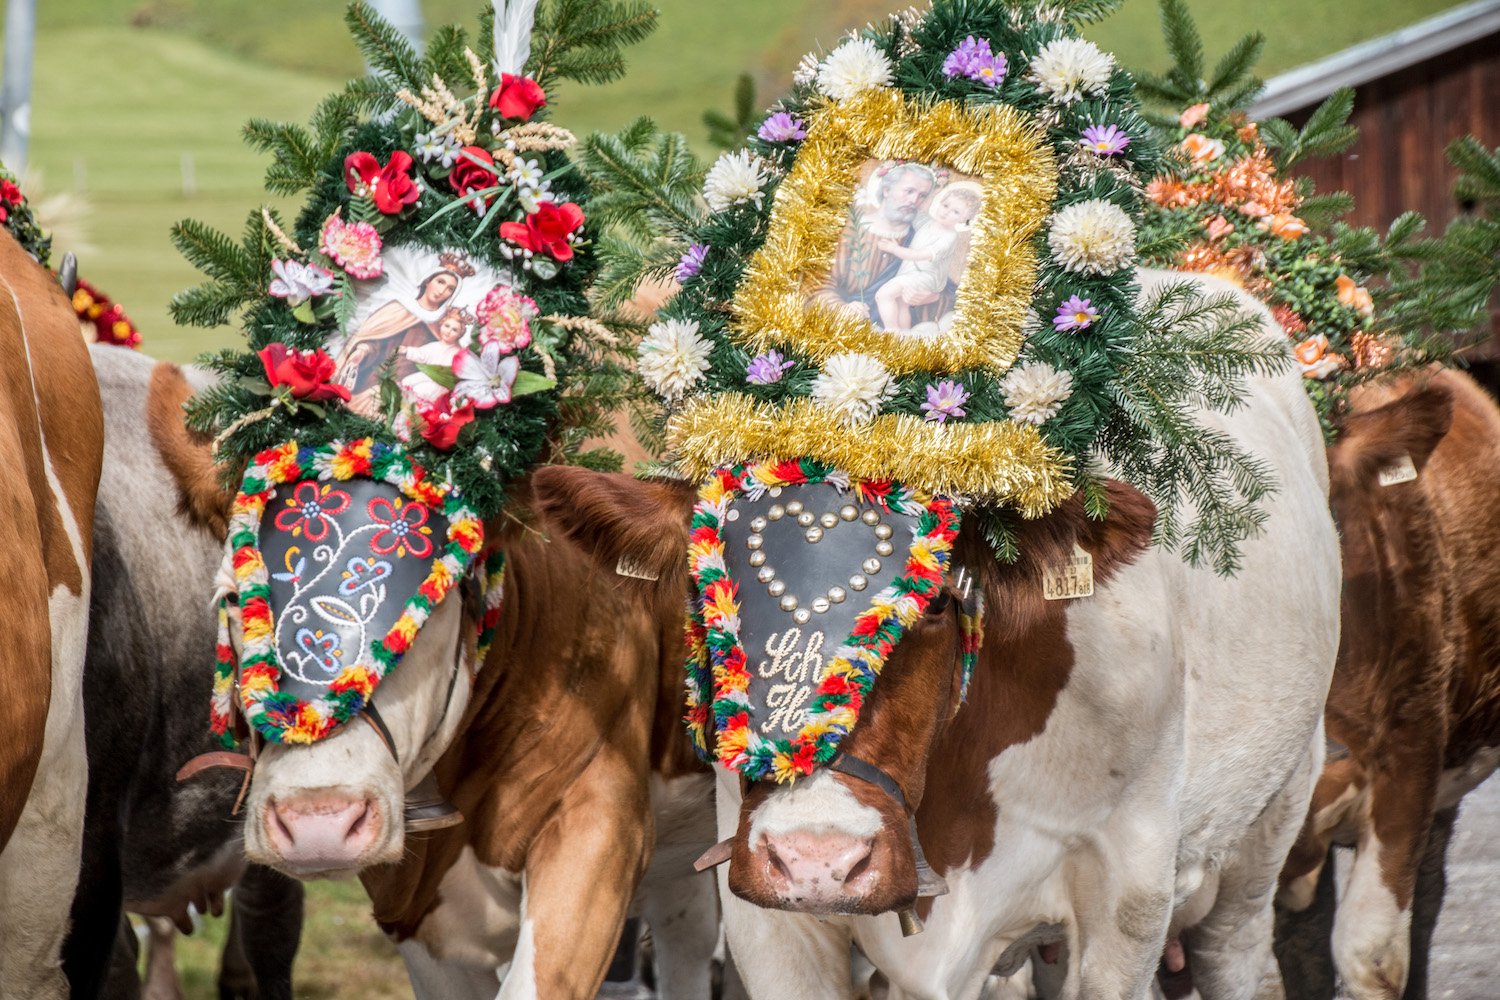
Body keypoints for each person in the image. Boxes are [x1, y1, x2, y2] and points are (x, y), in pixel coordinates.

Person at [334, 254, 473, 415]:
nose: (442, 291)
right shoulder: (397, 308)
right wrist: (362, 350)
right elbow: (376, 341)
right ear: (428, 280)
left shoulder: (443, 326)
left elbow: (449, 362)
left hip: (412, 398)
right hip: (376, 380)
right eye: (440, 282)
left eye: (450, 289)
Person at [810, 161, 937, 321]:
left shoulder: (921, 239)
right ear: (886, 190)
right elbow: (816, 283)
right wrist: (840, 308)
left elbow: (945, 290)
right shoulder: (849, 230)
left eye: (922, 196)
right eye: (909, 191)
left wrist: (931, 297)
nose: (914, 200)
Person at [873, 181, 981, 333]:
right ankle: (904, 336)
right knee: (900, 303)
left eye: (955, 212)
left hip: (926, 276)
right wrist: (936, 188)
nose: (946, 212)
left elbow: (920, 255)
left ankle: (891, 330)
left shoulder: (949, 237)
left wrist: (894, 248)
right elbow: (918, 209)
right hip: (911, 272)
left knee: (883, 295)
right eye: (945, 206)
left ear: (964, 219)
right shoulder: (926, 223)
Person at [399, 307, 473, 405]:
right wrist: (407, 350)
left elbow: (451, 374)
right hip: (428, 376)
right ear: (441, 325)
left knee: (420, 391)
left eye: (454, 330)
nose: (448, 331)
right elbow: (421, 355)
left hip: (441, 384)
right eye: (447, 326)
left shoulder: (458, 353)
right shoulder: (434, 346)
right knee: (405, 382)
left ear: (460, 334)